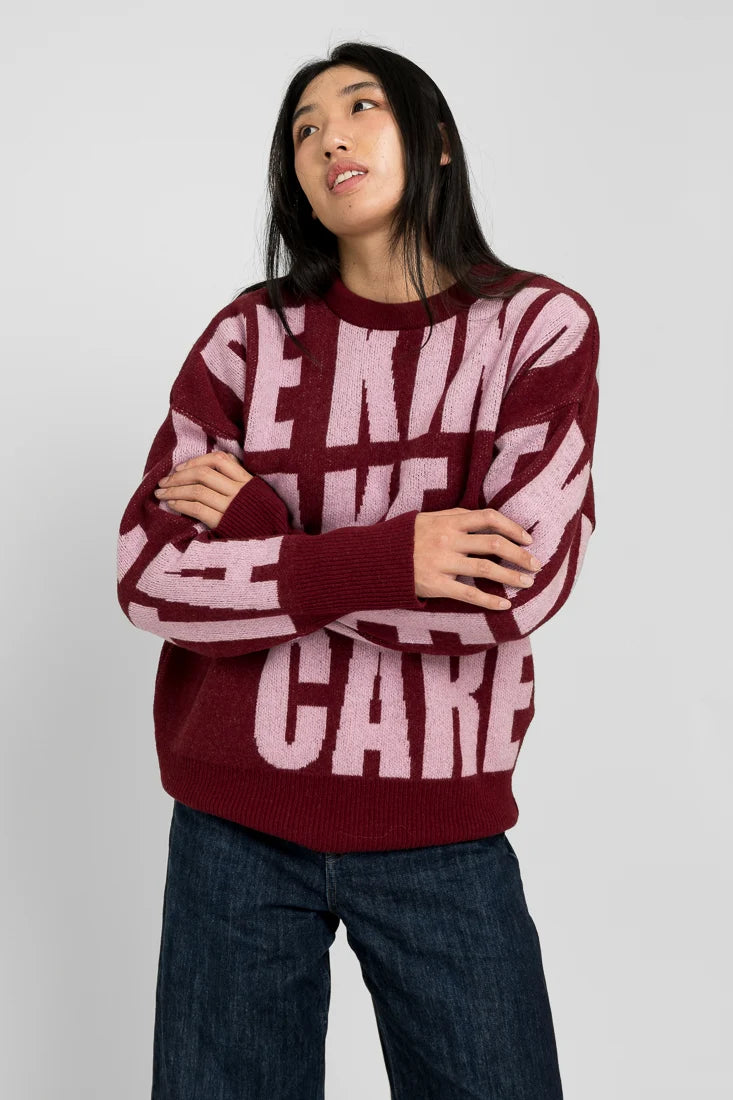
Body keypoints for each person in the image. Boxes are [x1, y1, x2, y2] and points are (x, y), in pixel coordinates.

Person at [117, 39, 600, 1100]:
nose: (328, 137)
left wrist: (262, 533)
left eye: (359, 107)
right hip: (231, 829)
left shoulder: (535, 328)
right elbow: (149, 572)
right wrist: (394, 555)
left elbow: (512, 589)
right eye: (303, 130)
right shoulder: (249, 337)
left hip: (441, 829)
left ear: (434, 141)